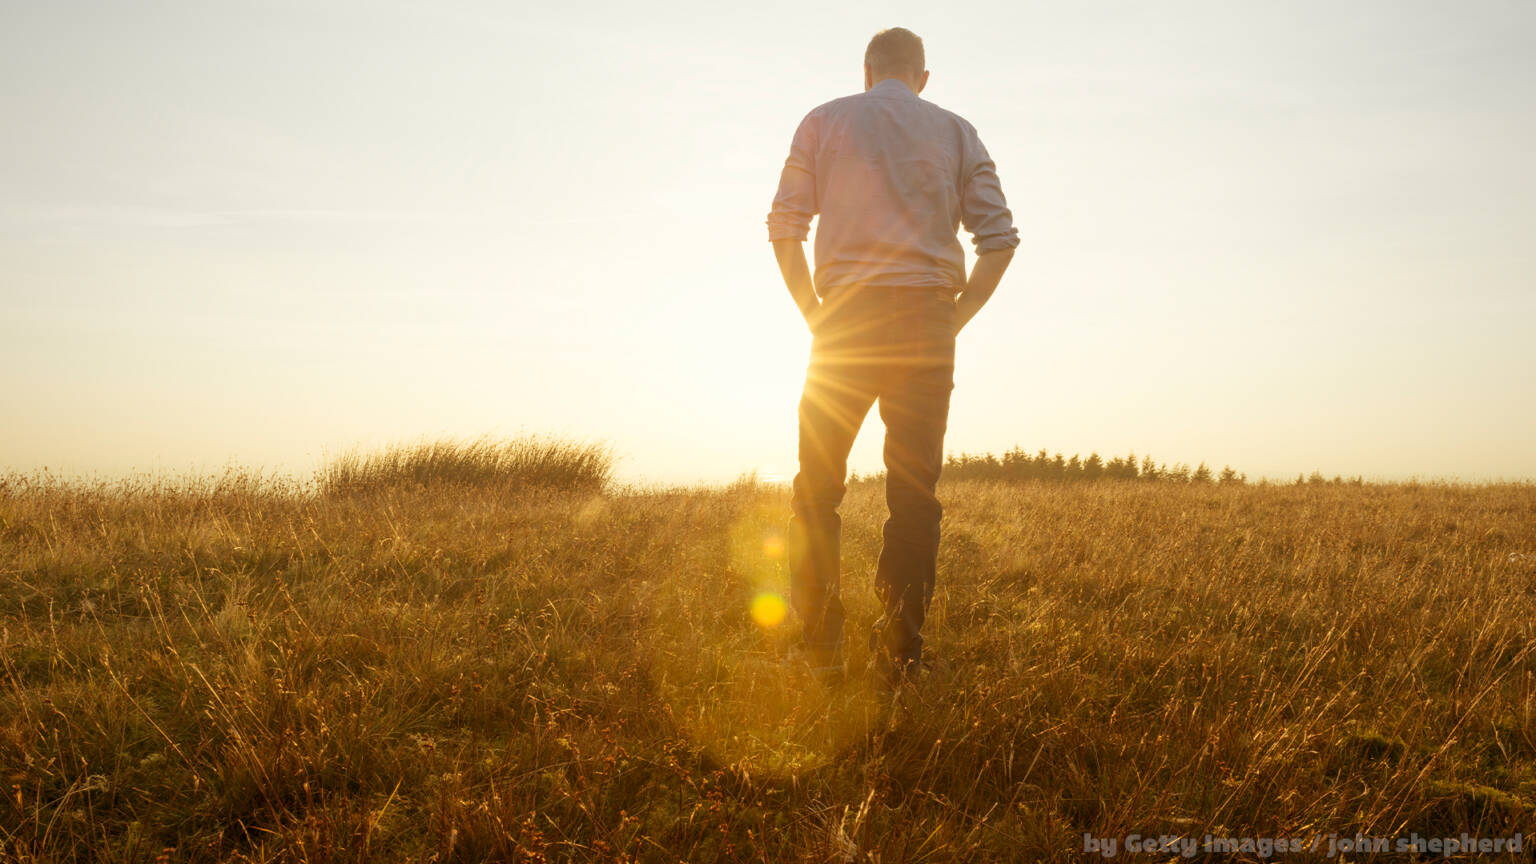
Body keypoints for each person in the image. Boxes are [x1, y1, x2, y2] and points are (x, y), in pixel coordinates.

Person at [766, 27, 1019, 687]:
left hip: (843, 320)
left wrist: (812, 314)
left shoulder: (823, 121)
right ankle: (900, 652)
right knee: (913, 494)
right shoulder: (957, 131)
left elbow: (784, 226)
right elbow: (1000, 239)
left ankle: (822, 645)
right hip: (926, 322)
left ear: (868, 69)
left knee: (816, 489)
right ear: (923, 77)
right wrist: (953, 320)